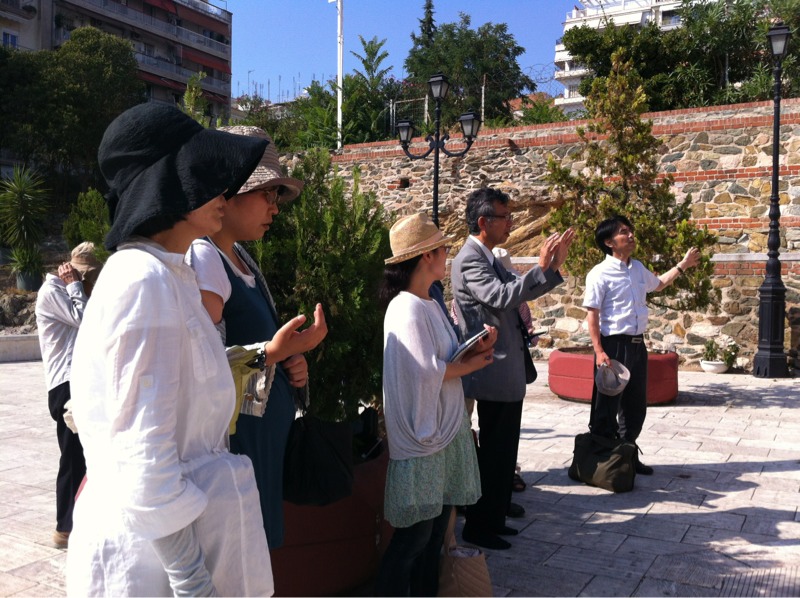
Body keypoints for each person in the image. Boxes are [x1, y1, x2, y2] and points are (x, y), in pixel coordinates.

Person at [66, 102, 275, 596]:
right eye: (204, 173)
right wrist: (191, 580)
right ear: (168, 183)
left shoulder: (167, 274)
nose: (223, 191)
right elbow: (144, 453)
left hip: (179, 549)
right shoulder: (142, 279)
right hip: (151, 566)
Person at [188, 125, 328, 550]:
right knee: (245, 552)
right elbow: (203, 364)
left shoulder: (239, 257)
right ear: (228, 193)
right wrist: (272, 352)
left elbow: (253, 354)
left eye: (277, 197)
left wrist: (289, 359)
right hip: (240, 443)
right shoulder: (205, 257)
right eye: (267, 194)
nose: (275, 208)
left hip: (260, 438)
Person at [374, 212, 496, 596]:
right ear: (426, 255)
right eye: (443, 249)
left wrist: (475, 348)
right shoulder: (407, 307)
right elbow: (427, 371)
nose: (447, 255)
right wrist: (474, 363)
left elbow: (442, 357)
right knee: (414, 539)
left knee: (431, 538)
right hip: (424, 436)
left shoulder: (427, 302)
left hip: (442, 432)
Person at [451, 187, 574, 550]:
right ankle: (479, 526)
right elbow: (501, 296)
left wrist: (551, 268)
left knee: (503, 450)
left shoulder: (487, 256)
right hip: (491, 369)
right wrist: (540, 267)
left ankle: (495, 515)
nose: (511, 223)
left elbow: (518, 293)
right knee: (493, 452)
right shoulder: (470, 259)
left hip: (504, 368)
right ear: (483, 221)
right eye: (505, 217)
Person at [584, 215, 700, 475]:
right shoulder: (599, 274)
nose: (631, 235)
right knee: (606, 406)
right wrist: (599, 351)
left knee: (635, 406)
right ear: (609, 242)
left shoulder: (637, 268)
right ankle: (599, 462)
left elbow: (659, 285)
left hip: (637, 346)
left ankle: (627, 455)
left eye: (630, 230)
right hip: (613, 346)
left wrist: (683, 265)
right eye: (624, 232)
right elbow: (592, 314)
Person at [35, 242, 102, 549]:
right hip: (66, 384)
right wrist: (75, 286)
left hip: (81, 380)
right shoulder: (53, 291)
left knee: (87, 454)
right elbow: (88, 322)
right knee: (73, 456)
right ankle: (65, 528)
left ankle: (83, 520)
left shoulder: (72, 293)